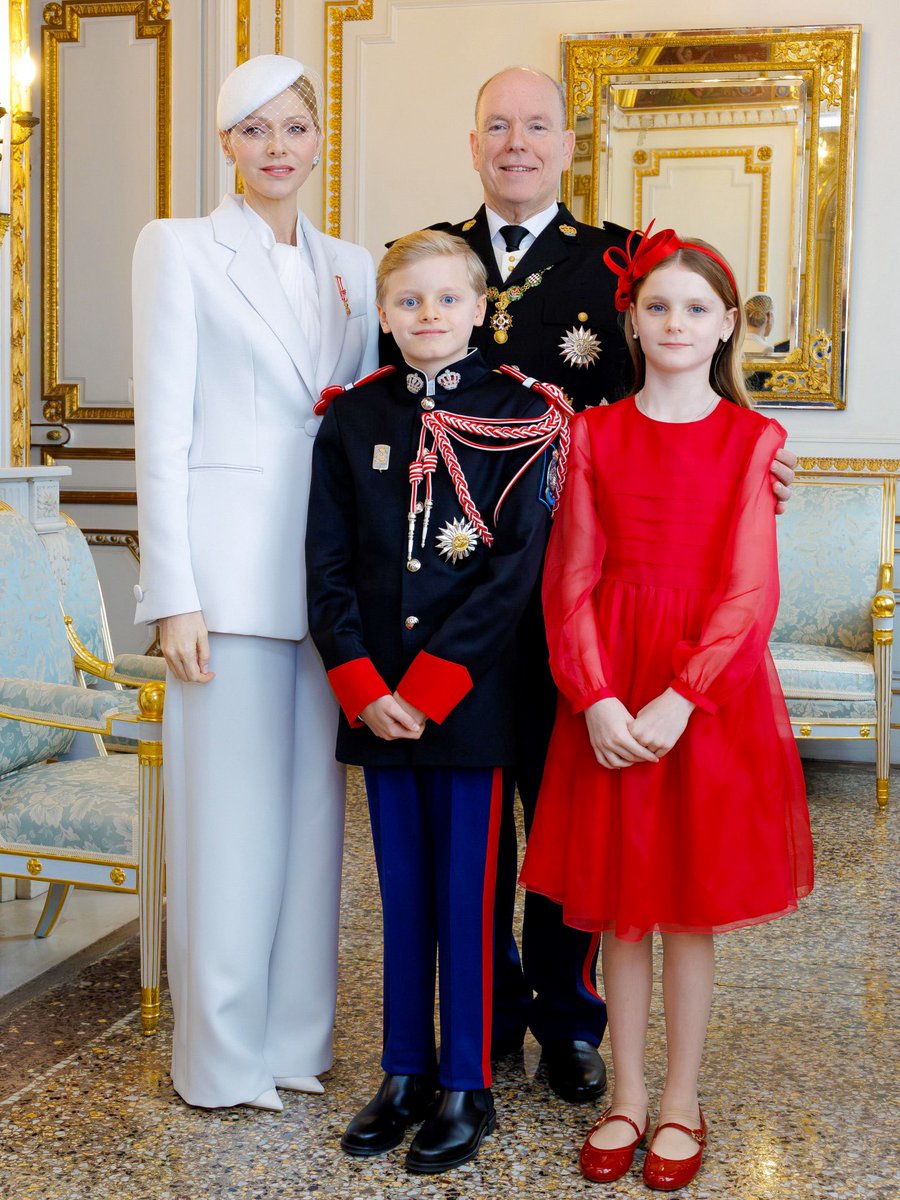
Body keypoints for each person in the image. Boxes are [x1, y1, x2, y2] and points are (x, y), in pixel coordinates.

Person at [394, 65, 799, 1106]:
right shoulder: (428, 260)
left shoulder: (616, 263)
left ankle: (572, 1023)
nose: (516, 143)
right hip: (464, 605)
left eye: (537, 125)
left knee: (587, 830)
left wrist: (758, 471)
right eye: (497, 125)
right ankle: (482, 1017)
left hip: (597, 616)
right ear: (473, 142)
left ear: (567, 143)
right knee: (479, 831)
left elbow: (686, 424)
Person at [520, 225, 814, 1190]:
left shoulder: (754, 441)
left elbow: (750, 591)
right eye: (658, 307)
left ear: (727, 325)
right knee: (620, 913)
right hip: (611, 684)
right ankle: (629, 1094)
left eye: (696, 308)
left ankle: (681, 1099)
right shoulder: (594, 433)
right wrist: (597, 698)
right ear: (633, 323)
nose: (676, 322)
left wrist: (683, 699)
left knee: (686, 912)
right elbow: (571, 580)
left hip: (705, 697)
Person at [132, 54, 378, 1110]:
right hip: (225, 585)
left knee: (312, 827)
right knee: (227, 830)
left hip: (326, 583)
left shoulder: (353, 267)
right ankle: (221, 1060)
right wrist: (173, 594)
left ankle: (292, 1044)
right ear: (226, 144)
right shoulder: (179, 248)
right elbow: (162, 428)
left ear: (319, 139)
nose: (278, 148)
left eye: (295, 127)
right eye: (255, 130)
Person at [306, 229, 568, 1173]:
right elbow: (327, 565)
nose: (428, 315)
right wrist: (363, 686)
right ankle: (405, 1071)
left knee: (469, 898)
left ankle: (468, 1080)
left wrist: (427, 688)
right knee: (402, 896)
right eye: (409, 301)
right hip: (377, 704)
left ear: (480, 309)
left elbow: (514, 572)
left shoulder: (526, 413)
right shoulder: (353, 417)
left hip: (470, 704)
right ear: (383, 313)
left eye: (447, 299)